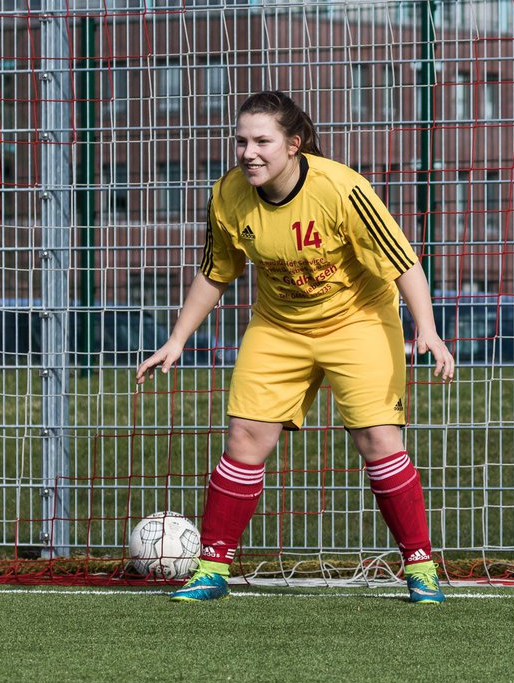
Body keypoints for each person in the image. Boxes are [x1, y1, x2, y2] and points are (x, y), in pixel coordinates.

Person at [136, 90, 455, 605]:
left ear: (294, 144)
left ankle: (420, 568)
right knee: (244, 437)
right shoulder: (227, 196)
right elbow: (215, 272)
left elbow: (404, 261)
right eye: (241, 141)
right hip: (279, 327)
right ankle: (211, 569)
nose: (248, 153)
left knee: (379, 441)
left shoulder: (341, 189)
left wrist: (429, 330)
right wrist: (177, 339)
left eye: (262, 141)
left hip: (359, 322)